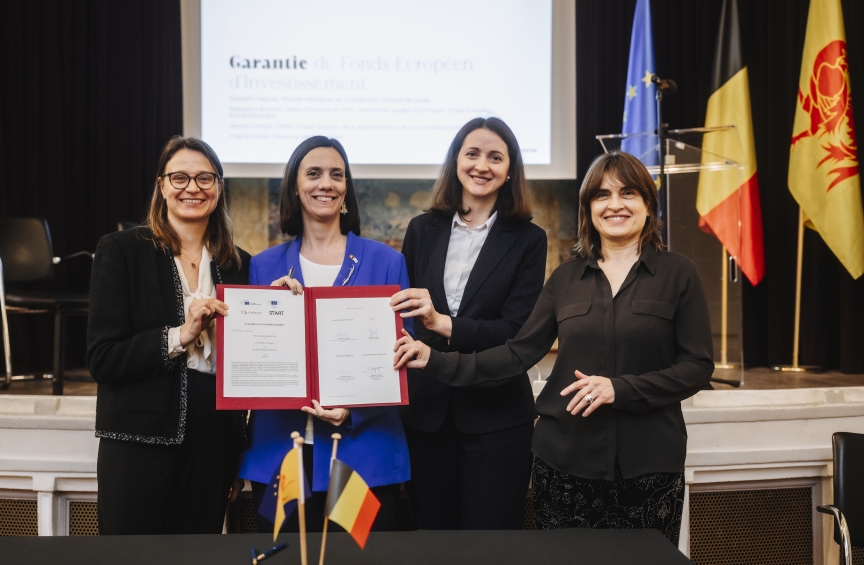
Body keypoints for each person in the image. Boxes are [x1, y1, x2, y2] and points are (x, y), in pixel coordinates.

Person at [394, 150, 714, 545]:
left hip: (649, 464)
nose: (614, 205)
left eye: (628, 193)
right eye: (602, 195)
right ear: (588, 210)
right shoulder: (565, 279)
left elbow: (698, 365)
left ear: (648, 204)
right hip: (563, 464)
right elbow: (516, 354)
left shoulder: (680, 274)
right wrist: (435, 359)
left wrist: (621, 388)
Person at [239, 136, 411, 533]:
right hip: (282, 458)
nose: (326, 183)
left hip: (361, 458)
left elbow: (405, 360)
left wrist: (356, 410)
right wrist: (264, 314)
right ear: (295, 186)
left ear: (346, 187)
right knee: (280, 558)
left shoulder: (387, 263)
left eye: (337, 174)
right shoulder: (263, 268)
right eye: (313, 173)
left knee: (356, 561)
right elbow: (251, 359)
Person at [389, 117, 547, 530]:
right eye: (472, 153)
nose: (482, 165)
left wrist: (442, 323)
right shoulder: (422, 229)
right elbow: (403, 319)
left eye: (496, 157)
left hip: (497, 417)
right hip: (426, 414)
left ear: (510, 170)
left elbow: (515, 331)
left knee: (491, 546)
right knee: (433, 542)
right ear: (455, 161)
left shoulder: (529, 239)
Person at [87, 136, 250, 534]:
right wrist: (180, 334)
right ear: (161, 186)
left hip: (213, 443)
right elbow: (103, 358)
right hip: (137, 438)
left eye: (204, 178)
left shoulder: (240, 264)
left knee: (198, 557)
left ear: (219, 187)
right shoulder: (121, 251)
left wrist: (278, 306)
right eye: (179, 177)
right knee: (130, 558)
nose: (192, 188)